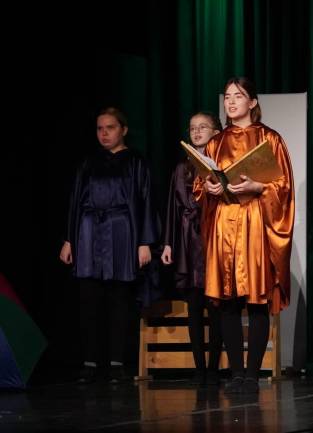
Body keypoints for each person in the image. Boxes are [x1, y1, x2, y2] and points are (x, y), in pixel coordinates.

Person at [197, 77, 295, 394]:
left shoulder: (270, 138)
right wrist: (208, 187)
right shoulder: (216, 142)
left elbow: (283, 187)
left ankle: (252, 374)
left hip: (254, 222)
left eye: (238, 96)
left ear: (252, 102)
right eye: (227, 96)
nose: (231, 101)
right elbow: (201, 184)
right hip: (224, 222)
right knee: (227, 301)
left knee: (256, 301)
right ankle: (236, 374)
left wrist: (258, 186)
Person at [60, 107, 159, 383]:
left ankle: (117, 363)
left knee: (119, 297)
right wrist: (69, 239)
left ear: (123, 130)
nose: (104, 133)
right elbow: (76, 200)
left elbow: (147, 201)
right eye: (100, 129)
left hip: (121, 230)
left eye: (110, 128)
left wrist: (145, 241)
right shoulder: (89, 162)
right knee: (89, 297)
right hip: (89, 231)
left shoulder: (136, 161)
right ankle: (91, 362)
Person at [162, 111, 224, 385]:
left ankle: (214, 368)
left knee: (217, 307)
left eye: (203, 127)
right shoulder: (181, 168)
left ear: (216, 132)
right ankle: (199, 368)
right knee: (194, 307)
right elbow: (172, 208)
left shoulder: (221, 164)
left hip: (213, 239)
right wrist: (168, 243)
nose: (197, 132)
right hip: (188, 241)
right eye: (193, 128)